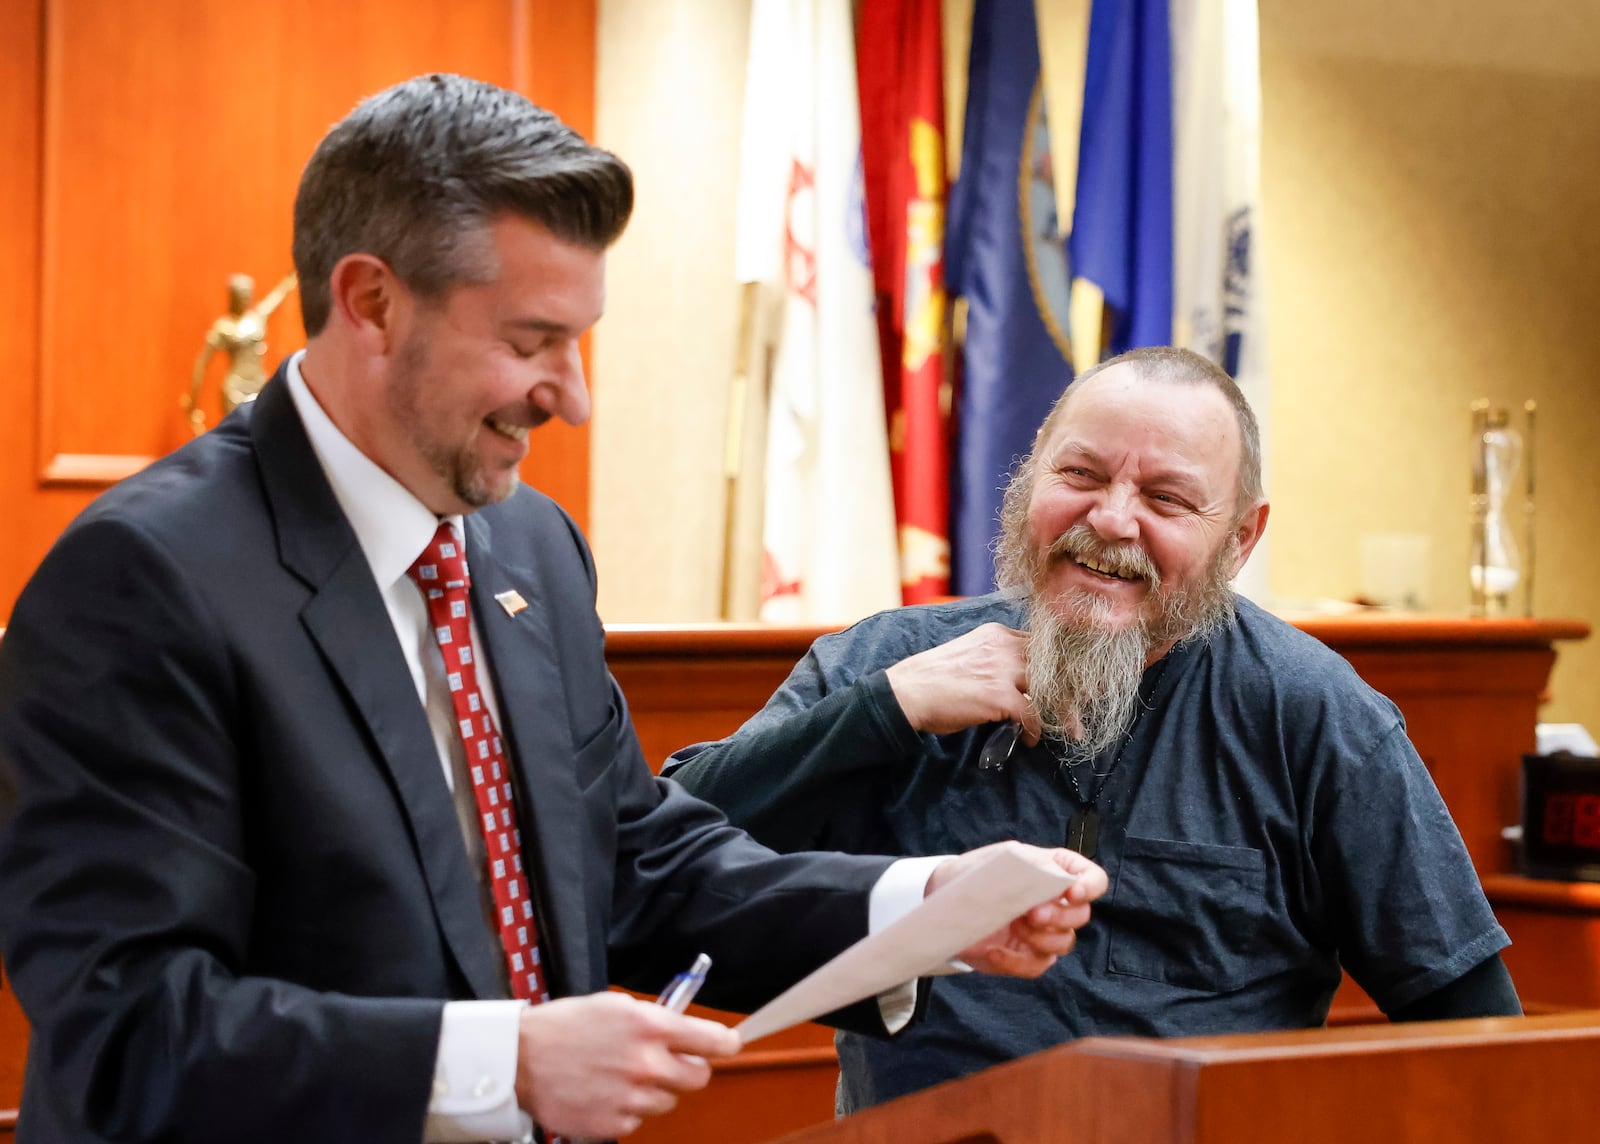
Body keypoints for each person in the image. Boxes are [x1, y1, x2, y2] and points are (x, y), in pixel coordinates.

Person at [0, 74, 1110, 1144]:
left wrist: (928, 901)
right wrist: (508, 1064)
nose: (573, 398)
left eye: (577, 343)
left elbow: (631, 860)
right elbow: (130, 1027)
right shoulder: (141, 581)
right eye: (531, 343)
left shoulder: (527, 543)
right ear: (371, 302)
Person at [665, 345, 1522, 1113]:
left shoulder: (1315, 714)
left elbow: (1478, 1032)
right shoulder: (890, 663)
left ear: (1241, 538)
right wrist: (885, 713)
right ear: (1027, 480)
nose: (1111, 520)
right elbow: (663, 852)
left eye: (1166, 497)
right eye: (1079, 475)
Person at [182, 271, 298, 433]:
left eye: (247, 293)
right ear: (232, 296)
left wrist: (291, 277)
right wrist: (192, 400)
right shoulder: (224, 327)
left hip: (259, 383)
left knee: (263, 432)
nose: (244, 297)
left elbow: (278, 295)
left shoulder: (257, 318)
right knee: (238, 434)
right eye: (240, 293)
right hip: (235, 387)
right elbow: (202, 363)